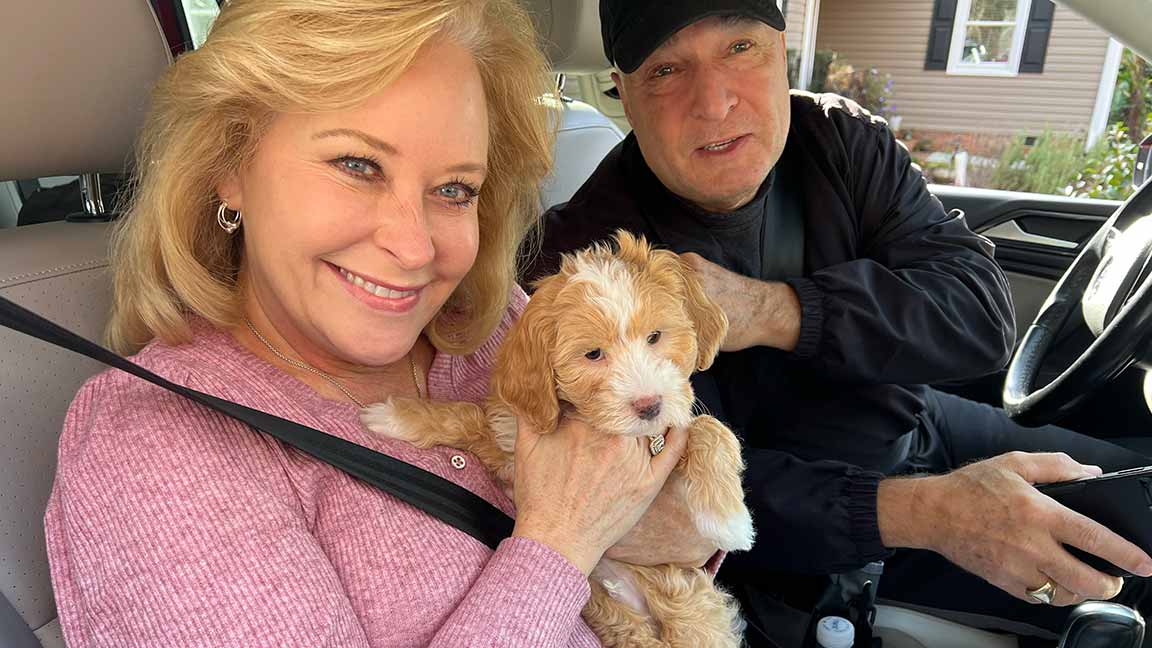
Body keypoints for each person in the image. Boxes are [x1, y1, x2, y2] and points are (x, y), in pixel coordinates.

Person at [44, 1, 711, 645]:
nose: (416, 248)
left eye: (454, 189)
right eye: (357, 166)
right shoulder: (154, 445)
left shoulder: (491, 320)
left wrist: (676, 521)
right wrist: (559, 542)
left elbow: (684, 516)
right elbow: (593, 508)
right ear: (229, 165)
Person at [525, 0, 1152, 643]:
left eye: (740, 49)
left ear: (781, 49)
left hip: (918, 427)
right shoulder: (580, 271)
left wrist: (776, 310)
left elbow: (983, 315)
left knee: (1139, 504)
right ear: (624, 95)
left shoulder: (840, 140)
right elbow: (653, 502)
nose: (713, 103)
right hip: (809, 540)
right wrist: (930, 514)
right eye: (666, 70)